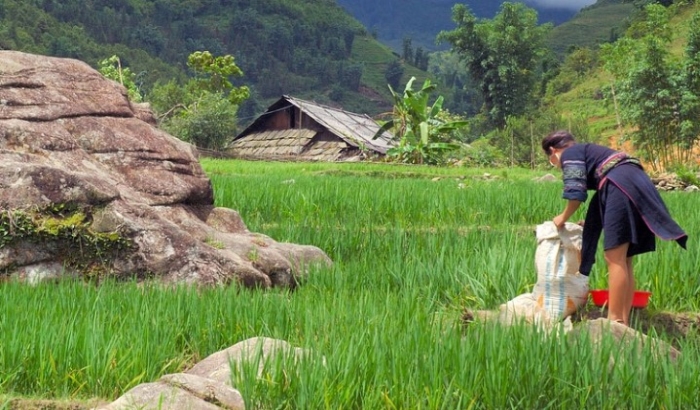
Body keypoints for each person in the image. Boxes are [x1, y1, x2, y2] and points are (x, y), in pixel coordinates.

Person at [542, 130, 688, 326]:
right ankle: (623, 322)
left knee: (614, 257)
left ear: (553, 151)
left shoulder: (570, 153)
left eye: (552, 161)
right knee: (625, 259)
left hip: (620, 183)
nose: (556, 165)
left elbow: (575, 193)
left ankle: (614, 320)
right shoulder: (589, 152)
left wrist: (561, 218)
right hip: (632, 182)